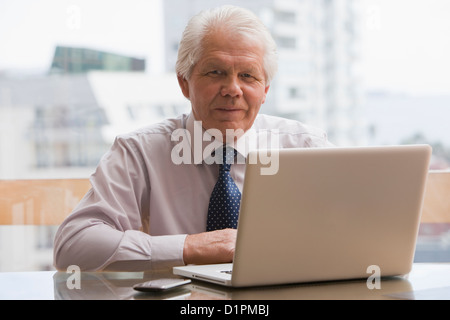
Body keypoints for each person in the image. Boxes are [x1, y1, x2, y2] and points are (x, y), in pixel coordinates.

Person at [53, 5, 334, 272]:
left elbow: (363, 231)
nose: (232, 89)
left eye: (248, 76)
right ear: (184, 83)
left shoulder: (306, 147)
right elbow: (72, 246)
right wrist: (188, 247)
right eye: (216, 72)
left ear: (265, 90)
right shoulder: (139, 152)